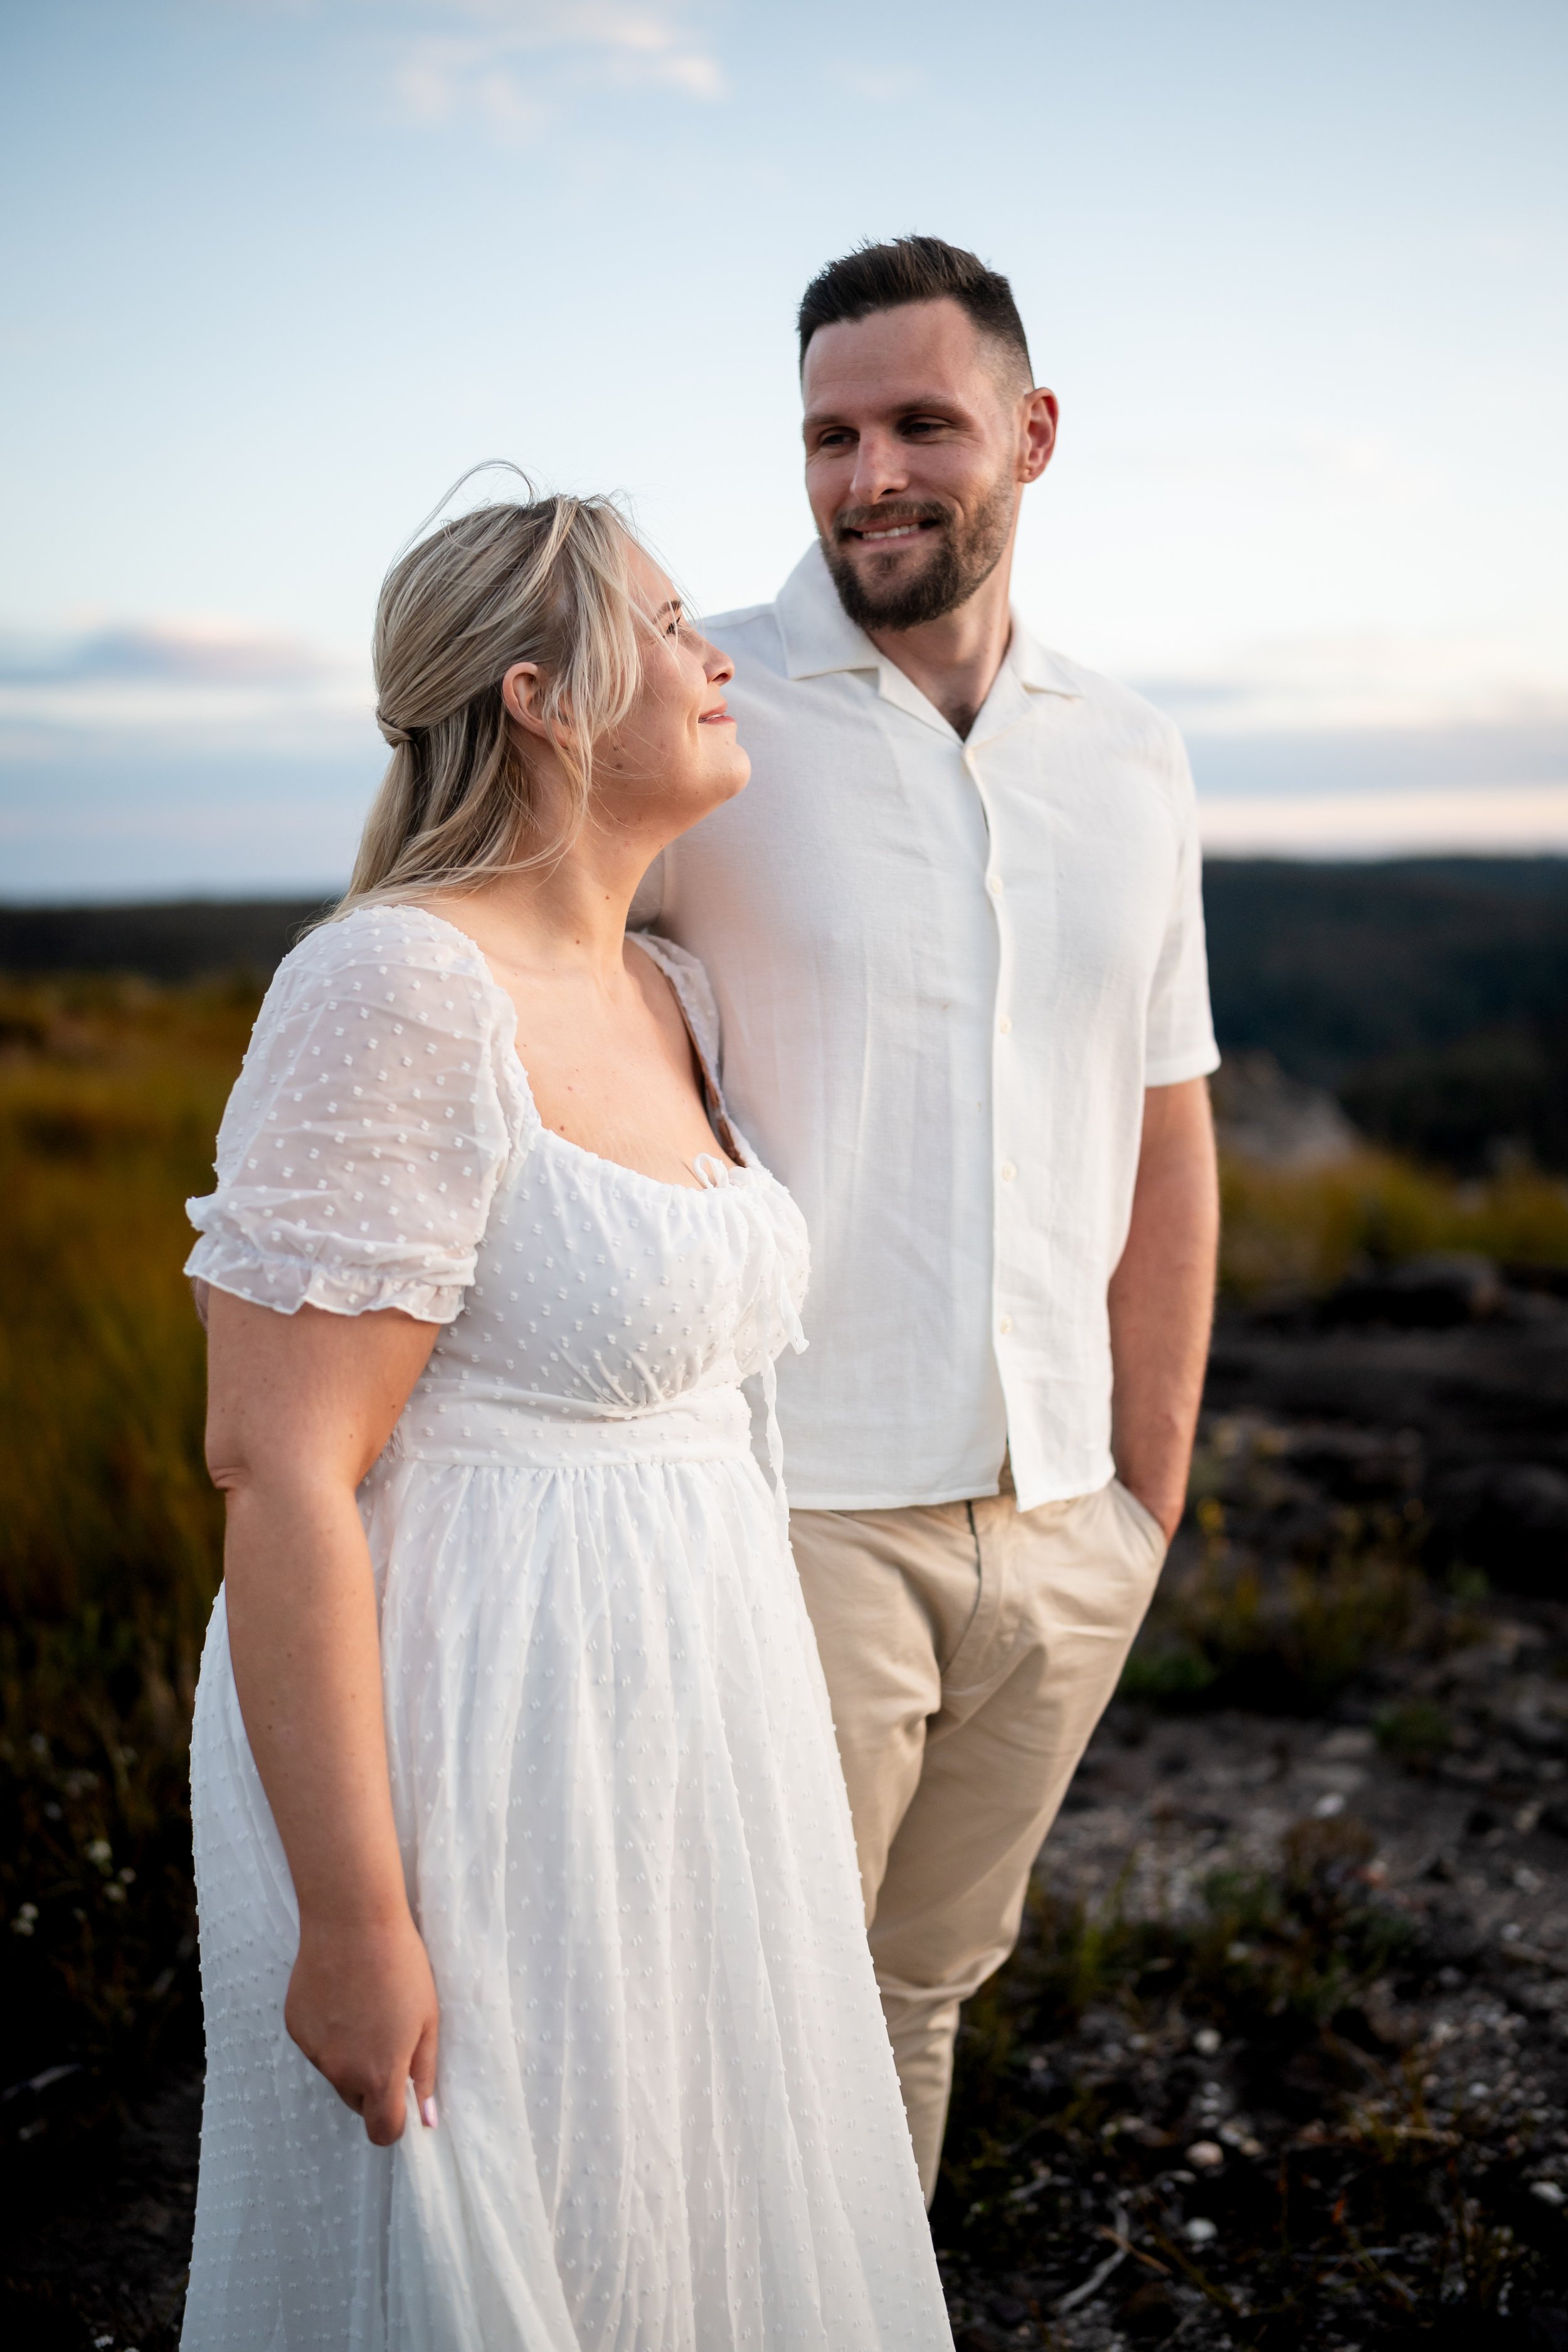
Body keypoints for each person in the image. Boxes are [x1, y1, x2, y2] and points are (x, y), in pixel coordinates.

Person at [180, 484, 953, 2350]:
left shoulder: (668, 986)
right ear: (536, 695)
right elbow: (277, 1467)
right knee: (498, 2232)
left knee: (683, 2202)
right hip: (483, 1721)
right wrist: (356, 1925)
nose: (716, 660)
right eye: (671, 626)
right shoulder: (394, 985)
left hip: (695, 1705)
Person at [631, 236, 1222, 2201]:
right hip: (789, 1504)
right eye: (827, 433)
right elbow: (513, 986)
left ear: (1030, 436)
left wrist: (1145, 1486)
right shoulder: (690, 702)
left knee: (916, 1994)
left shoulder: (1132, 756)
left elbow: (1166, 1119)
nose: (867, 474)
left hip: (1067, 1524)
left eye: (917, 424)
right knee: (743, 2000)